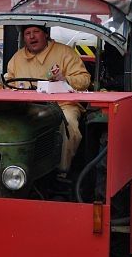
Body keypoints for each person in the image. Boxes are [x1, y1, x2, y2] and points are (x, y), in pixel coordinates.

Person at [6, 24, 90, 176]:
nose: (32, 36)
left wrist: (66, 79)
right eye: (27, 33)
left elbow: (84, 80)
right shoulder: (16, 58)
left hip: (63, 105)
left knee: (69, 123)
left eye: (36, 32)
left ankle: (61, 171)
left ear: (45, 34)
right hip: (27, 107)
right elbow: (8, 82)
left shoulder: (65, 52)